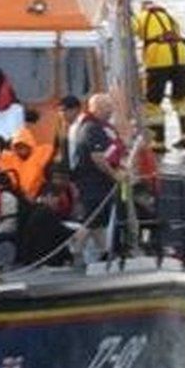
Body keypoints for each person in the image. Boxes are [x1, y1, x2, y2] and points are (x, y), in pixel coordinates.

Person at [133, 0, 185, 152]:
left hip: (158, 61)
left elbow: (130, 30)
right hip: (181, 58)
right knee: (182, 98)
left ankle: (158, 142)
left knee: (153, 102)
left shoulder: (142, 16)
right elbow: (177, 32)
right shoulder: (170, 17)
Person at [71, 94, 129, 258]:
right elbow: (98, 158)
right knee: (91, 221)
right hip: (93, 183)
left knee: (100, 222)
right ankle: (75, 254)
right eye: (106, 107)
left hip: (102, 183)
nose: (110, 110)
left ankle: (105, 253)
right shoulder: (91, 129)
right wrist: (115, 175)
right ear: (94, 108)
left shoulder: (101, 128)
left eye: (111, 106)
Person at [0, 127, 54, 199]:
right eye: (17, 147)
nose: (21, 149)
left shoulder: (42, 155)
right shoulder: (9, 159)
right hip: (18, 196)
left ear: (30, 144)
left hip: (39, 195)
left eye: (23, 146)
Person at [54, 95, 83, 168]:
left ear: (76, 110)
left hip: (82, 169)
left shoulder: (84, 126)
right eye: (59, 111)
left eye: (64, 110)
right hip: (66, 168)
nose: (62, 114)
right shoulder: (61, 127)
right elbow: (56, 146)